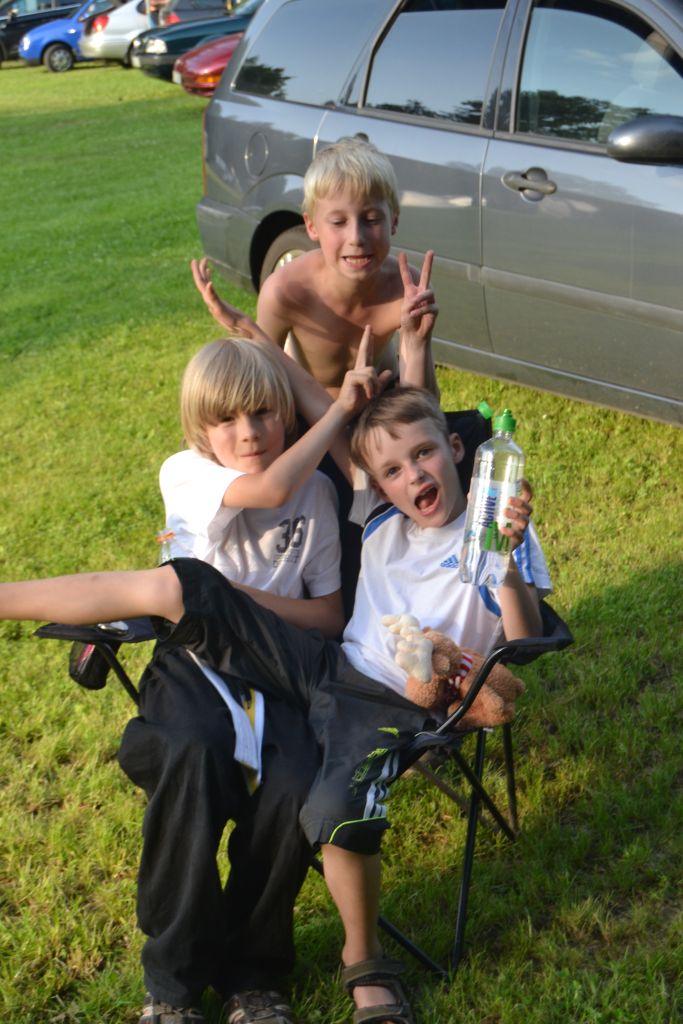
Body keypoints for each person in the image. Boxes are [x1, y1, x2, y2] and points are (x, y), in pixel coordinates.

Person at [0, 384, 551, 1024]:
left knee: (333, 806)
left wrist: (506, 563)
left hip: (395, 706)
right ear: (378, 482)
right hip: (324, 667)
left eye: (425, 455)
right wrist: (268, 339)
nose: (413, 476)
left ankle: (364, 963)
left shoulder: (496, 534)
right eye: (393, 470)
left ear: (456, 449)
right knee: (187, 583)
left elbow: (524, 638)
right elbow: (345, 421)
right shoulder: (380, 514)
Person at [117, 334, 387, 1024]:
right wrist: (339, 409)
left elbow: (328, 615)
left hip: (278, 669)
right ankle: (172, 984)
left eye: (264, 412)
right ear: (198, 429)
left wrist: (232, 598)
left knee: (293, 780)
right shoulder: (186, 472)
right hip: (195, 663)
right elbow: (267, 488)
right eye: (227, 419)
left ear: (284, 413)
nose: (248, 432)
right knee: (193, 755)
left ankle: (254, 974)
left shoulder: (316, 496)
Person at [192, 136, 440, 399]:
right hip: (312, 410)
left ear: (394, 221)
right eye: (338, 222)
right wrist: (243, 326)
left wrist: (418, 343)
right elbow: (265, 391)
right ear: (311, 226)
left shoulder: (406, 289)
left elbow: (426, 405)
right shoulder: (285, 292)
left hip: (382, 404)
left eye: (371, 219)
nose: (356, 237)